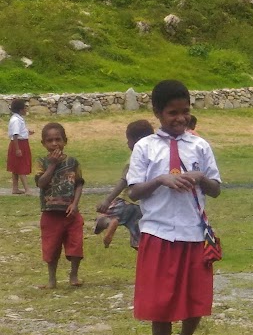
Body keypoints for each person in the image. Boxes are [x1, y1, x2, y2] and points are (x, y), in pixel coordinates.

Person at [127, 80, 222, 335]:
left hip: (194, 234)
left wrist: (199, 178)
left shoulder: (200, 146)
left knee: (197, 301)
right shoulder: (145, 148)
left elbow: (217, 188)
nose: (179, 119)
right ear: (157, 113)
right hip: (159, 234)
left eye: (185, 112)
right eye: (172, 113)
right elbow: (134, 191)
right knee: (161, 307)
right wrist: (161, 180)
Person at [35, 123, 84, 289]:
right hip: (50, 213)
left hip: (70, 212)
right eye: (50, 140)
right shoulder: (41, 162)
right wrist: (53, 165)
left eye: (58, 139)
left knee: (75, 244)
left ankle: (74, 275)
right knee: (51, 246)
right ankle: (51, 279)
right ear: (43, 143)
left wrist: (75, 203)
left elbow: (79, 184)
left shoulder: (73, 162)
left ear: (65, 141)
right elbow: (41, 183)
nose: (54, 144)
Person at [94, 120, 154, 249]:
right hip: (141, 206)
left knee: (101, 218)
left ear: (137, 140)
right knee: (139, 243)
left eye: (128, 140)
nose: (127, 144)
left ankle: (111, 222)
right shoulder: (155, 157)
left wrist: (107, 200)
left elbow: (124, 181)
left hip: (126, 201)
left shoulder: (135, 158)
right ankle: (145, 266)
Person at [7, 98, 34, 195]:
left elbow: (19, 131)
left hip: (19, 143)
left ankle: (15, 188)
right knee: (21, 166)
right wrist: (17, 149)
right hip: (19, 144)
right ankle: (27, 189)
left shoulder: (17, 119)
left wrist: (27, 132)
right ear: (20, 109)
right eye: (24, 108)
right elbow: (15, 134)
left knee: (16, 167)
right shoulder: (16, 120)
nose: (26, 110)